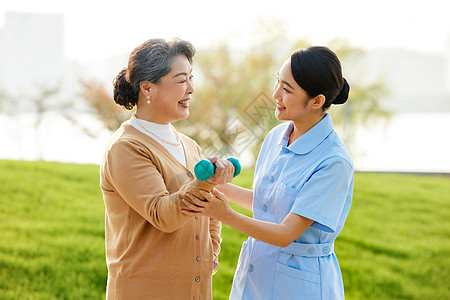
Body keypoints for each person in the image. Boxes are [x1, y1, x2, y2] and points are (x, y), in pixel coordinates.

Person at [182, 46, 354, 299]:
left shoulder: (333, 162)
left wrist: (224, 214)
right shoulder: (276, 137)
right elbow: (267, 204)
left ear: (317, 101)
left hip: (299, 286)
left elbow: (286, 233)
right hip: (255, 275)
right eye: (278, 82)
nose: (275, 94)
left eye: (287, 89)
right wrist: (215, 185)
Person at [100, 38, 235, 300]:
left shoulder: (190, 146)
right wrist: (207, 180)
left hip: (195, 290)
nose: (191, 88)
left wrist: (211, 252)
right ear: (147, 88)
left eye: (191, 78)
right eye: (181, 80)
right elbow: (163, 215)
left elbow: (211, 206)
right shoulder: (125, 148)